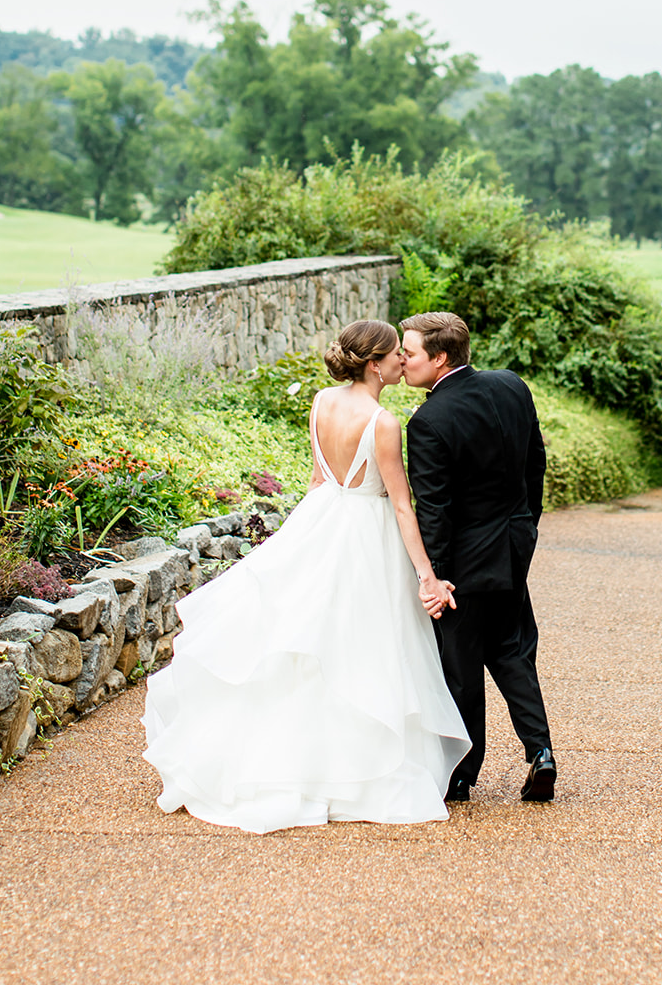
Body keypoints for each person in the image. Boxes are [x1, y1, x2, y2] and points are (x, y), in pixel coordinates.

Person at [142, 319, 470, 833]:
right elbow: (403, 508)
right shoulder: (383, 423)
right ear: (375, 364)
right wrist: (427, 576)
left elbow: (318, 480)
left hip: (320, 521)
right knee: (361, 648)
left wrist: (297, 542)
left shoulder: (321, 401)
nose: (403, 362)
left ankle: (294, 763)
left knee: (305, 644)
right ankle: (349, 770)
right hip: (367, 536)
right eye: (395, 356)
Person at [401, 310, 556, 804]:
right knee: (511, 650)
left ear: (440, 358)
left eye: (410, 352)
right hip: (513, 546)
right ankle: (541, 753)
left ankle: (463, 776)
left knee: (461, 664)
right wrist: (526, 522)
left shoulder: (428, 421)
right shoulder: (512, 385)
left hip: (465, 561)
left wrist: (436, 577)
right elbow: (536, 461)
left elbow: (436, 509)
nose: (402, 360)